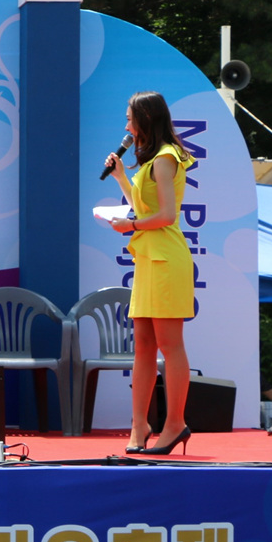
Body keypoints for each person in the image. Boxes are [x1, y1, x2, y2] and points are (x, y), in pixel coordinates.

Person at [106, 90, 197, 455]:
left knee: (170, 345)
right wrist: (121, 178)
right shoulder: (151, 160)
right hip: (149, 258)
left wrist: (129, 226)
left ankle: (175, 423)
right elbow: (145, 207)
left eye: (130, 118)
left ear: (145, 119)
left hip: (165, 259)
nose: (127, 125)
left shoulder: (165, 157)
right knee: (143, 346)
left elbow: (166, 216)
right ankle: (139, 424)